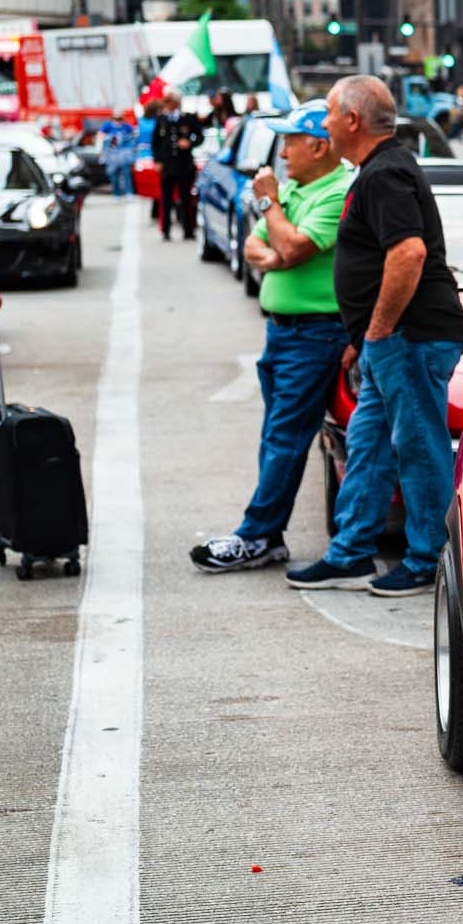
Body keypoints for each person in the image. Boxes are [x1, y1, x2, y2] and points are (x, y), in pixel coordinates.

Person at [286, 76, 463, 598]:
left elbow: (407, 253)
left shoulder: (385, 174)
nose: (321, 124)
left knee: (418, 446)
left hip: (409, 337)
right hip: (388, 340)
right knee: (366, 444)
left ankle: (428, 558)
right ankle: (350, 553)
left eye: (327, 113)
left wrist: (381, 327)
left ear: (352, 121)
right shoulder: (378, 171)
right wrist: (365, 334)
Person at [190, 100, 355, 573]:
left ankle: (256, 534)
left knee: (285, 436)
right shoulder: (298, 192)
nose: (282, 154)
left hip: (315, 334)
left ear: (318, 145)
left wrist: (271, 210)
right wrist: (282, 248)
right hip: (282, 333)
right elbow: (255, 245)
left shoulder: (333, 190)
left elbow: (293, 244)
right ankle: (269, 534)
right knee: (274, 435)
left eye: (290, 142)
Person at [152, 100, 202, 241]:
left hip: (184, 165)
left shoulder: (188, 118)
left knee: (185, 199)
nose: (167, 104)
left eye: (170, 101)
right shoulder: (161, 119)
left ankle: (188, 231)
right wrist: (157, 161)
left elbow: (200, 136)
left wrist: (190, 143)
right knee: (166, 200)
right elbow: (155, 142)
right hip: (167, 166)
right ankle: (165, 231)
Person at [100, 115, 137, 198]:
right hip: (112, 156)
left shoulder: (126, 127)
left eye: (119, 119)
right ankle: (116, 193)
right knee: (114, 175)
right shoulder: (108, 127)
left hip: (124, 156)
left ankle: (129, 192)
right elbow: (102, 137)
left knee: (126, 174)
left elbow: (133, 135)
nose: (118, 121)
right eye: (116, 119)